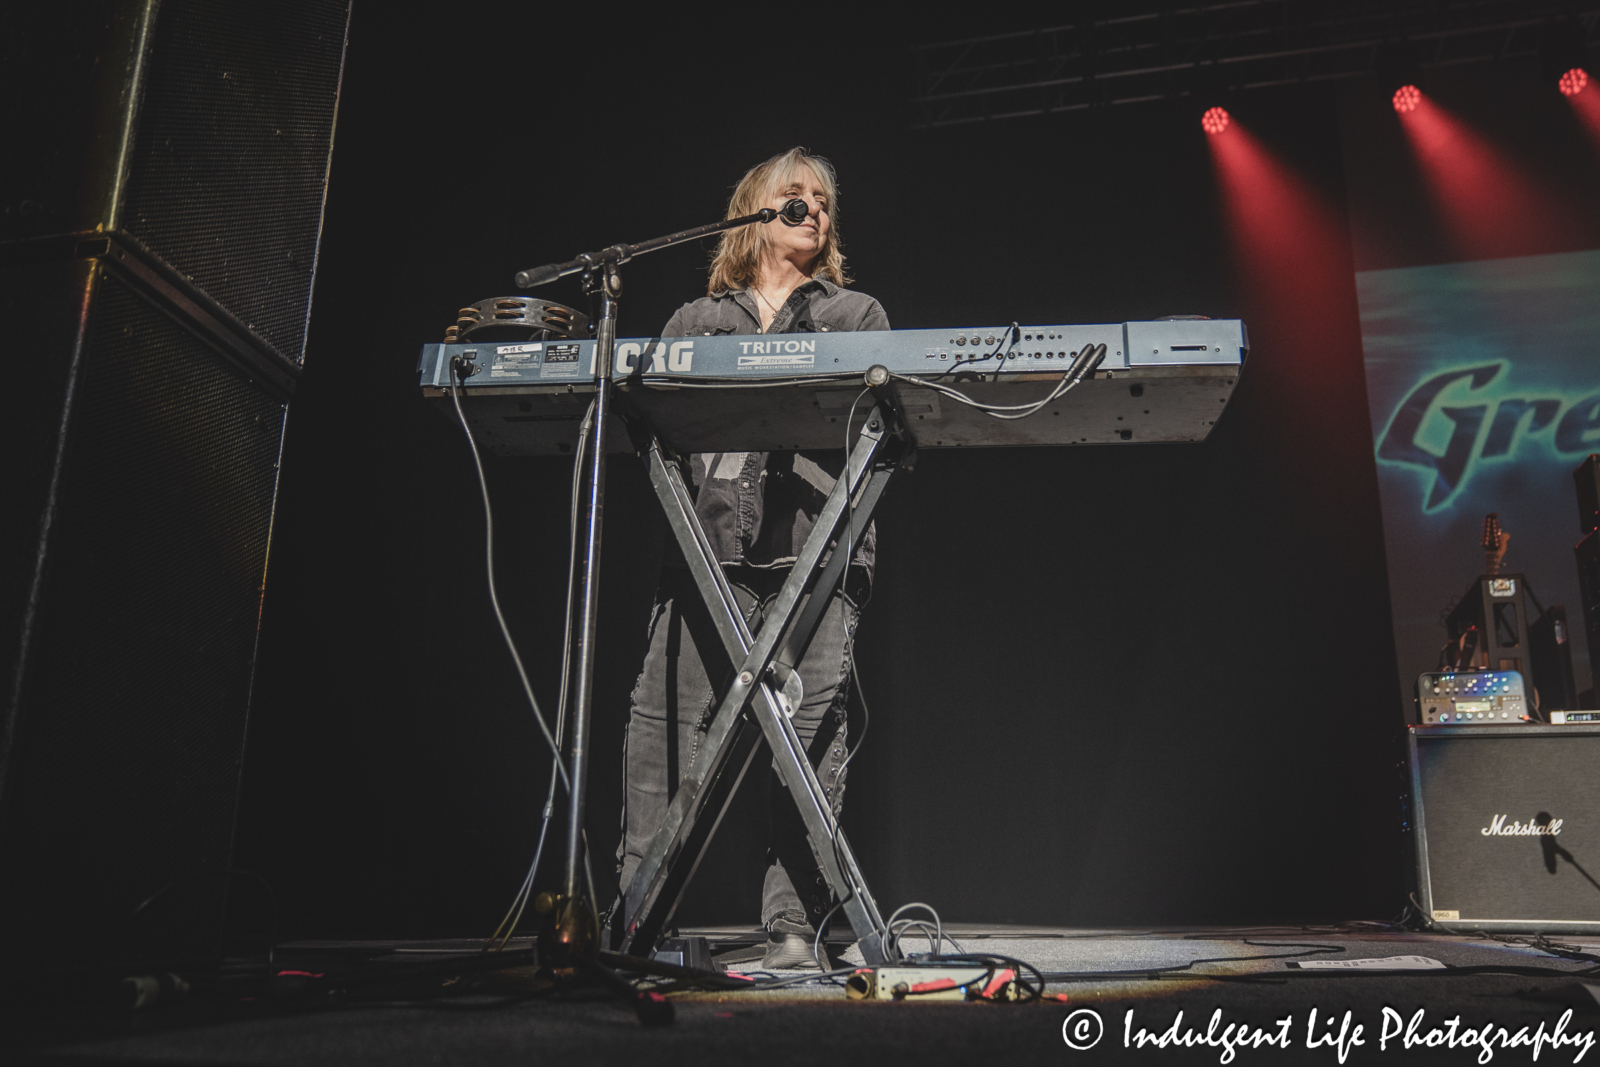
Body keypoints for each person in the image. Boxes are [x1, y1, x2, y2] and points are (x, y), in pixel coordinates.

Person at [613, 148, 888, 969]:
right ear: (754, 211)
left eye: (824, 201)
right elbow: (650, 417)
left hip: (816, 556)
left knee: (805, 736)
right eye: (793, 197)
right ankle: (636, 919)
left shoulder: (857, 314)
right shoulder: (699, 322)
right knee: (659, 730)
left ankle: (796, 928)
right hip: (708, 563)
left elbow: (880, 422)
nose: (814, 209)